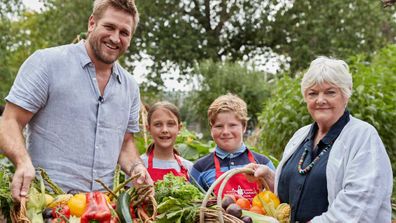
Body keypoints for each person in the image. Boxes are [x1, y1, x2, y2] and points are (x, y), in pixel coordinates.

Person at [0, 0, 153, 202]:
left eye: (124, 32)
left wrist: (137, 168)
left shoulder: (130, 86)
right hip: (46, 205)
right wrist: (22, 161)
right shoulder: (47, 63)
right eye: (109, 27)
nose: (115, 38)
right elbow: (10, 121)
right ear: (92, 24)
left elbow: (125, 143)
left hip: (101, 208)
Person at [246, 56, 392, 222]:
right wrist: (269, 178)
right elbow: (293, 198)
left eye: (330, 92)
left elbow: (357, 208)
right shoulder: (300, 137)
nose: (320, 100)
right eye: (313, 93)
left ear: (346, 94)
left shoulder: (363, 137)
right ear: (306, 98)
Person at [190, 94, 275, 200]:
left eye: (232, 125)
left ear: (244, 127)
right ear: (212, 129)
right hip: (217, 217)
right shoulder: (200, 168)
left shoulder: (263, 163)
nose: (225, 132)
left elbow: (278, 196)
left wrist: (267, 176)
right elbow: (194, 205)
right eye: (219, 126)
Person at [140, 101, 193, 182]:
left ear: (179, 128)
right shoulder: (139, 166)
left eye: (170, 124)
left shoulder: (189, 167)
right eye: (158, 124)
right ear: (148, 128)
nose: (164, 130)